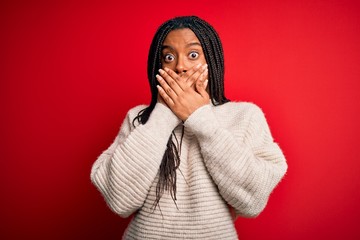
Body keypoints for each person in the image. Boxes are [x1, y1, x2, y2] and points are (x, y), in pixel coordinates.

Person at [90, 16, 287, 239]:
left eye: (193, 55)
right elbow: (119, 200)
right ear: (158, 66)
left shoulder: (244, 116)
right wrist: (164, 114)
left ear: (212, 61)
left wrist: (199, 117)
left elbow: (252, 201)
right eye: (169, 57)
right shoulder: (138, 118)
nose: (180, 66)